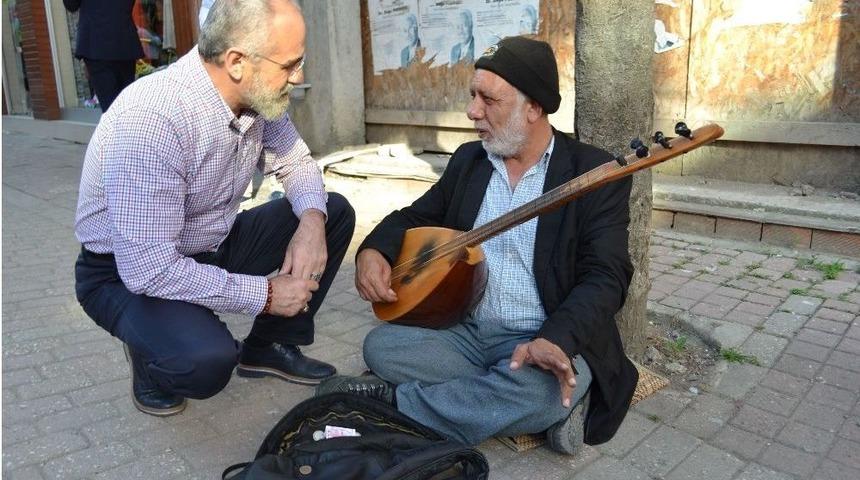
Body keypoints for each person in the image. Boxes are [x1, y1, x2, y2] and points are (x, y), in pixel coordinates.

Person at [318, 36, 638, 455]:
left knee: (541, 389)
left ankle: (392, 404)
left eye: (489, 99)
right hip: (467, 333)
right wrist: (373, 251)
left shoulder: (594, 173)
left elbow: (607, 275)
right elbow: (415, 217)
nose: (472, 111)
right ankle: (531, 407)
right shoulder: (471, 160)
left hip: (542, 335)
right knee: (381, 346)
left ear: (534, 108)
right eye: (473, 96)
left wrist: (556, 338)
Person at [74, 0, 355, 417]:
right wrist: (265, 294)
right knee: (204, 363)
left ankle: (268, 346)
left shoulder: (256, 93)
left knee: (333, 210)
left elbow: (296, 163)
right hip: (124, 273)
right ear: (237, 61)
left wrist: (312, 223)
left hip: (207, 242)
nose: (298, 76)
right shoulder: (152, 120)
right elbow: (148, 268)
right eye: (290, 64)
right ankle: (149, 355)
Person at [63, 0, 144, 112]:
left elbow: (72, 5)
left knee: (111, 108)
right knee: (127, 104)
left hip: (96, 43)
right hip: (123, 40)